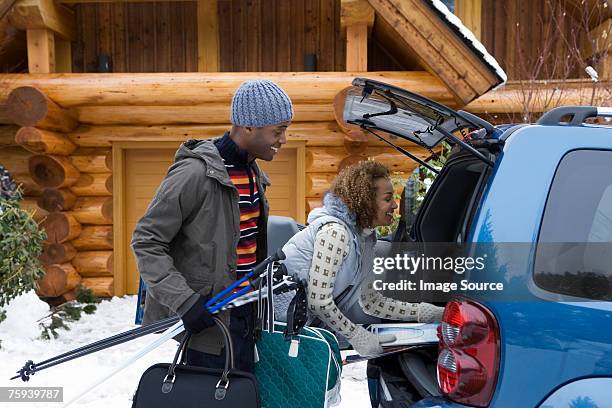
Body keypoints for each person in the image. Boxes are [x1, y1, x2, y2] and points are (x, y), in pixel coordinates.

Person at [131, 79, 293, 372]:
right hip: (207, 321)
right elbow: (146, 241)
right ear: (249, 127)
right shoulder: (196, 173)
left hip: (245, 315)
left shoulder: (252, 174)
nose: (283, 139)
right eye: (278, 130)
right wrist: (184, 302)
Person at [281, 160, 444, 357]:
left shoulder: (365, 239)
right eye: (387, 199)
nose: (394, 205)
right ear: (366, 201)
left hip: (303, 330)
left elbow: (371, 301)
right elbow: (319, 301)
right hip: (280, 333)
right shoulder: (335, 233)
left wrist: (426, 313)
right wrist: (357, 336)